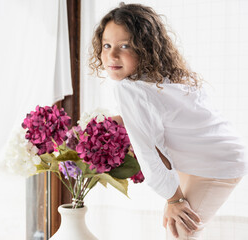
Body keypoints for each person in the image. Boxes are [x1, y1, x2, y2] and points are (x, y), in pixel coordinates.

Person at [89, 3, 248, 239]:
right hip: (212, 154)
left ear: (145, 48)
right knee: (175, 226)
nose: (112, 55)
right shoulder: (158, 76)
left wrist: (173, 198)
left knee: (180, 231)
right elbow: (164, 116)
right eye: (107, 45)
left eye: (125, 46)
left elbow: (150, 151)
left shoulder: (130, 89)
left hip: (214, 163)